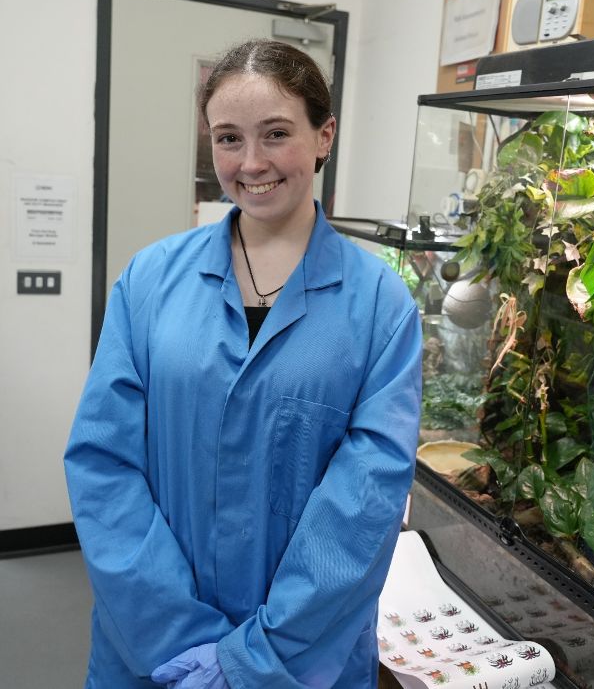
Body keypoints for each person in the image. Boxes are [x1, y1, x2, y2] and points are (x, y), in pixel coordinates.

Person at [64, 38, 423, 688]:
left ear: (324, 136)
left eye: (276, 133)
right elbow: (102, 465)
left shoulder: (379, 306)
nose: (251, 162)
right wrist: (179, 641)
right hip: (152, 652)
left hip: (298, 659)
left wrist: (249, 662)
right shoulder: (150, 281)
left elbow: (363, 505)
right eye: (228, 138)